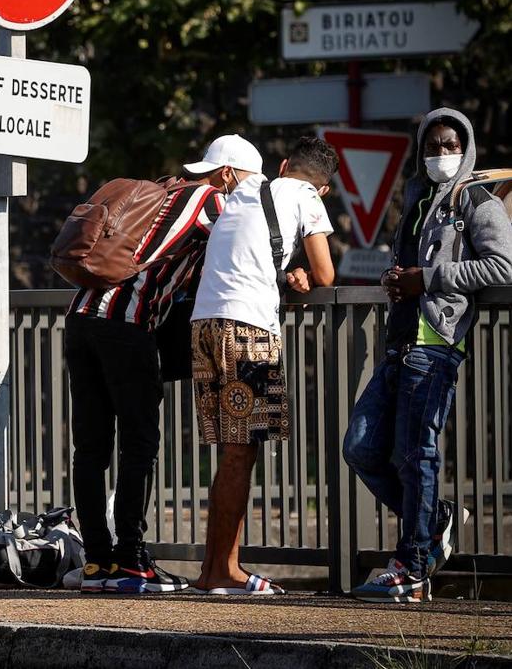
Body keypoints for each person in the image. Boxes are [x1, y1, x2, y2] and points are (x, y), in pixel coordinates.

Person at [67, 133, 260, 594]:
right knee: (140, 444)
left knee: (91, 447)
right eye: (249, 185)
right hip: (125, 325)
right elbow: (244, 255)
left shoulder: (165, 188)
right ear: (228, 174)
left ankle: (97, 563)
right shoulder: (214, 200)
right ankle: (132, 561)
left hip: (80, 318)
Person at [343, 108, 512, 603]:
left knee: (414, 455)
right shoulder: (416, 198)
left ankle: (413, 566)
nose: (442, 154)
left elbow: (502, 266)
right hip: (397, 341)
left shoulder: (477, 201)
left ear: (467, 148)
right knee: (361, 446)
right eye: (433, 146)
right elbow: (410, 261)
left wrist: (429, 280)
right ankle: (437, 519)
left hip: (436, 343)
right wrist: (395, 279)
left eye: (450, 145)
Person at [190, 135, 338, 594]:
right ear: (324, 189)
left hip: (204, 324)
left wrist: (288, 272)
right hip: (248, 329)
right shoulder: (307, 196)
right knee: (242, 452)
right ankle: (224, 571)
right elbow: (326, 274)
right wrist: (304, 276)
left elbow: (247, 255)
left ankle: (213, 570)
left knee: (228, 452)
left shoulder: (245, 193)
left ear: (283, 164)